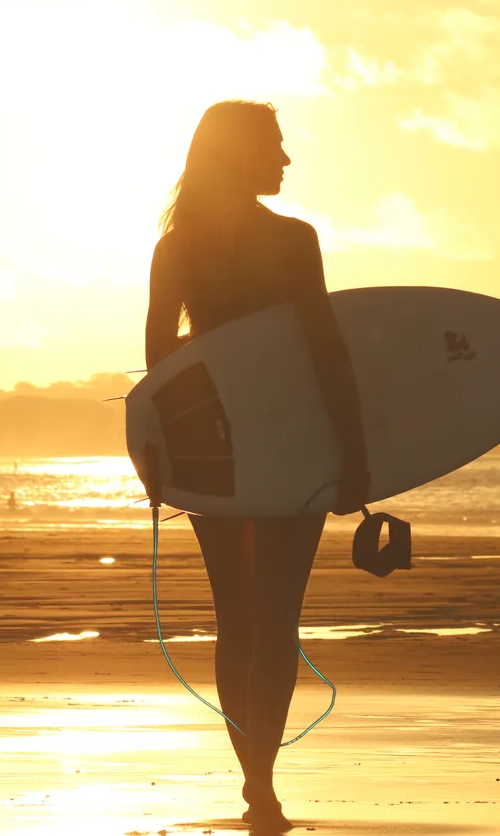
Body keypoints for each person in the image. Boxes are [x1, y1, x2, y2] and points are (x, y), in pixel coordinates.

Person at [145, 100, 370, 832]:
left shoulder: (176, 248)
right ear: (239, 153)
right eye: (274, 145)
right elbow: (327, 352)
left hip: (217, 454)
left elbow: (158, 366)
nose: (285, 159)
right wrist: (355, 455)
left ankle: (257, 780)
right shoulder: (293, 241)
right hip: (294, 449)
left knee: (238, 620)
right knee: (276, 620)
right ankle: (262, 781)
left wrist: (172, 460)